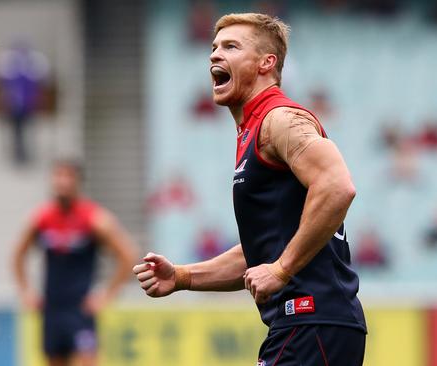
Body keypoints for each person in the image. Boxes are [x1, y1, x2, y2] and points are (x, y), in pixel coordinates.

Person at [133, 13, 366, 365]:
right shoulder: (254, 131)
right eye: (213, 47)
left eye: (230, 46)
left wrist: (282, 269)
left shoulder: (280, 119)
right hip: (304, 323)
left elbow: (337, 186)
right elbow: (260, 254)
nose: (214, 55)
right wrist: (182, 277)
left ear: (265, 63)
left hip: (311, 318)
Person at [12, 159, 137, 366]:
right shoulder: (42, 218)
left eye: (68, 176)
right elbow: (17, 254)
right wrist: (26, 291)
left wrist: (107, 294)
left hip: (81, 309)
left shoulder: (94, 218)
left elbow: (127, 254)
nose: (63, 182)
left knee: (88, 361)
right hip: (52, 308)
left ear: (78, 182)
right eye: (58, 176)